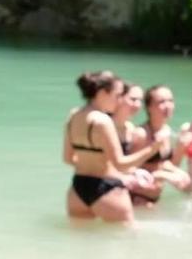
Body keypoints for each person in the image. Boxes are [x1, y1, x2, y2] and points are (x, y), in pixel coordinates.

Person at [63, 71, 153, 223]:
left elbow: (67, 158)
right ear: (103, 93)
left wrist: (90, 163)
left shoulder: (73, 115)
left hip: (77, 189)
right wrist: (151, 149)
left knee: (80, 242)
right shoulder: (103, 120)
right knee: (129, 239)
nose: (119, 101)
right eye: (117, 95)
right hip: (106, 189)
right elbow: (120, 163)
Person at [129, 85, 191, 206]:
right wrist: (163, 175)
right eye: (161, 102)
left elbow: (163, 164)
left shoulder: (166, 131)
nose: (167, 106)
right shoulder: (141, 134)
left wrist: (180, 151)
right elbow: (128, 171)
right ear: (149, 107)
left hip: (154, 198)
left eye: (170, 101)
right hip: (137, 198)